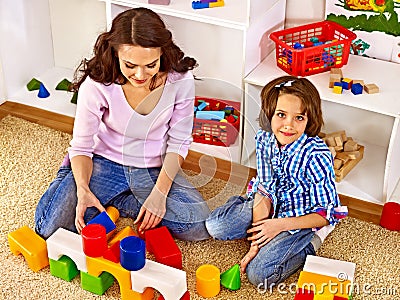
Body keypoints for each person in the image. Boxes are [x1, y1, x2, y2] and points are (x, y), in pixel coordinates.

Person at [35, 7, 211, 241]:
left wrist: (159, 193)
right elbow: (82, 147)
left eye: (151, 64)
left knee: (198, 225)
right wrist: (83, 190)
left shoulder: (180, 80)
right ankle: (84, 183)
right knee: (49, 227)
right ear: (115, 52)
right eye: (130, 65)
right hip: (104, 163)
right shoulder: (98, 84)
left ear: (162, 52)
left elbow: (179, 142)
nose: (140, 75)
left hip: (153, 168)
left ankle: (120, 200)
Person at [205, 75, 347, 288]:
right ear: (269, 114)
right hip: (270, 205)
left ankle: (310, 244)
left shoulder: (316, 155)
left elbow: (325, 214)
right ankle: (256, 223)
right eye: (281, 115)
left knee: (259, 276)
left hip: (303, 218)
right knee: (215, 226)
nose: (288, 126)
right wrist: (256, 241)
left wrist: (278, 226)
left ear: (309, 120)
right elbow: (265, 188)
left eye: (299, 118)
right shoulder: (265, 139)